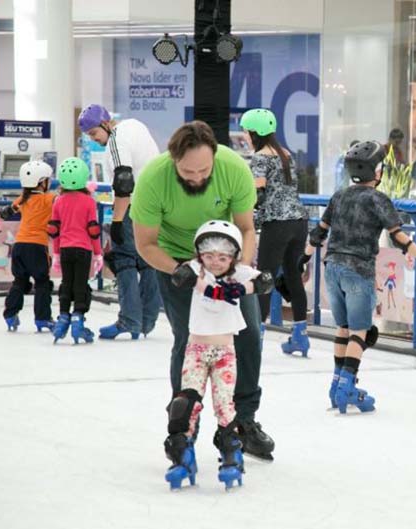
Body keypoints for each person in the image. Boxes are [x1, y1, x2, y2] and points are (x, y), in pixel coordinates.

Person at [131, 120, 275, 460]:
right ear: (173, 160)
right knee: (189, 339)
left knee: (249, 333)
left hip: (226, 261)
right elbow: (146, 243)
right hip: (175, 260)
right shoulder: (153, 180)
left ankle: (243, 421)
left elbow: (246, 228)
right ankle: (184, 423)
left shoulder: (233, 169)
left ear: (214, 157)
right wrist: (180, 271)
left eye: (203, 170)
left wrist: (239, 272)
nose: (196, 177)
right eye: (187, 172)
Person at [298, 140, 416, 414]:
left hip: (331, 268)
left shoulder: (339, 196)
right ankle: (347, 387)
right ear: (377, 171)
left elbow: (318, 232)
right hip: (359, 271)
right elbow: (400, 238)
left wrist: (304, 259)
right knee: (360, 331)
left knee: (343, 329)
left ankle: (335, 386)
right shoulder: (380, 200)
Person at [164, 220, 274, 490]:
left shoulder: (238, 274)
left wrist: (246, 287)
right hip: (196, 350)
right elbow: (181, 275)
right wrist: (189, 278)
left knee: (225, 406)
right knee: (184, 405)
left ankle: (231, 456)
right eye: (209, 256)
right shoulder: (197, 270)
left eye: (222, 257)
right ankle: (183, 455)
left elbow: (265, 280)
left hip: (224, 353)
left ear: (233, 257)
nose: (215, 262)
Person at [77, 104, 161, 340]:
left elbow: (124, 182)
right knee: (149, 261)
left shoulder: (115, 139)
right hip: (155, 207)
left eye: (94, 134)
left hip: (133, 208)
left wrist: (116, 221)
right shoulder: (136, 125)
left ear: (105, 124)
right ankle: (147, 321)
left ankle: (129, 321)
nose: (95, 140)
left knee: (124, 261)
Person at [239, 108, 310, 356]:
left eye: (246, 131)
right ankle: (301, 336)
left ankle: (255, 337)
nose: (245, 136)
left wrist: (246, 217)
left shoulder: (260, 157)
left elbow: (258, 195)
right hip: (299, 222)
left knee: (265, 277)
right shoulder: (285, 155)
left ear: (255, 132)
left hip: (277, 224)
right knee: (293, 275)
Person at [0, 160, 56, 332]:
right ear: (42, 182)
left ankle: (10, 313)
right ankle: (43, 318)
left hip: (19, 246)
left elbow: (7, 212)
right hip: (38, 246)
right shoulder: (49, 198)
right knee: (42, 282)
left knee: (19, 281)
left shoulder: (23, 198)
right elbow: (65, 202)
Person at [48, 157, 104, 344]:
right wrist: (98, 253)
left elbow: (54, 231)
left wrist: (56, 253)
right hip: (83, 249)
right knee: (81, 284)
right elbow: (93, 231)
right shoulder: (89, 202)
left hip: (65, 249)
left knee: (67, 282)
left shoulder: (58, 201)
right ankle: (78, 318)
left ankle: (63, 316)